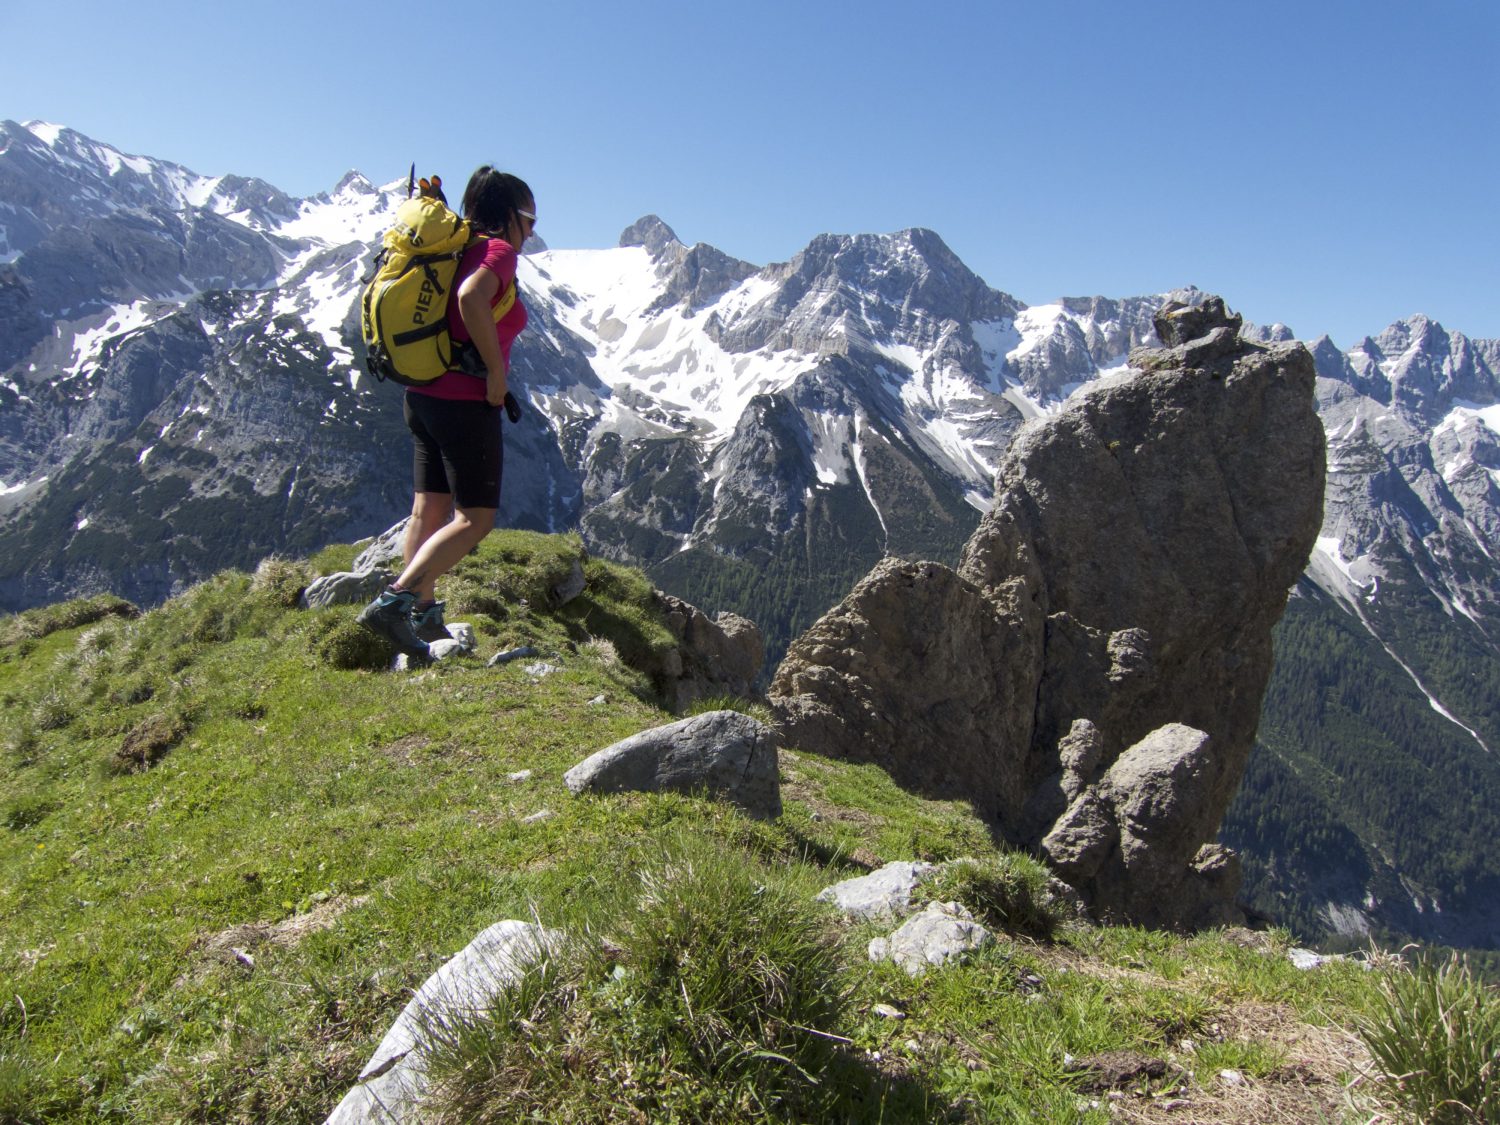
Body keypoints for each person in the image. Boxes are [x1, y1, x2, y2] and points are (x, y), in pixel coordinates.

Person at [358, 166, 536, 661]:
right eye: (529, 218)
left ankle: (423, 615)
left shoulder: (453, 249)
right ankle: (394, 602)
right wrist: (496, 372)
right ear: (509, 215)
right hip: (464, 402)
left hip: (421, 395)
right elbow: (470, 297)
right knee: (475, 519)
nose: (531, 231)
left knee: (428, 509)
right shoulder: (496, 252)